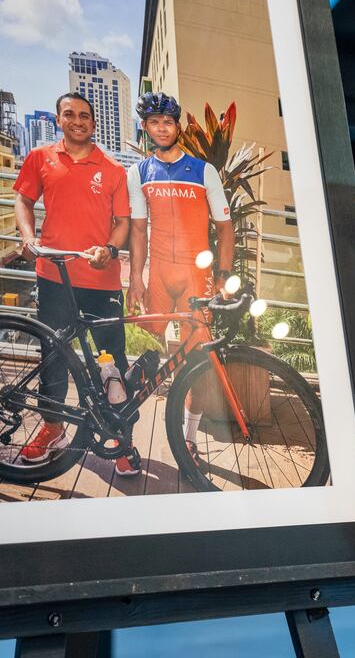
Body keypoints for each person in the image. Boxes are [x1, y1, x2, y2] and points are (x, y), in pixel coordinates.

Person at [14, 92, 133, 474]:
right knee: (53, 355)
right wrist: (28, 237)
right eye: (70, 114)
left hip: (102, 280)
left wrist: (110, 250)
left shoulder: (113, 169)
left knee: (113, 362)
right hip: (53, 275)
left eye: (84, 115)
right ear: (58, 119)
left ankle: (120, 436)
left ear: (94, 123)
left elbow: (123, 223)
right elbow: (23, 200)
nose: (77, 121)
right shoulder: (40, 158)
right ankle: (53, 429)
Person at [125, 91, 234, 458]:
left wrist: (223, 276)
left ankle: (188, 438)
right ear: (145, 127)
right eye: (154, 122)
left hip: (195, 276)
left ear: (177, 127)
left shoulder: (204, 171)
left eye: (168, 122)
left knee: (197, 364)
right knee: (143, 353)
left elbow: (226, 228)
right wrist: (135, 279)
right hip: (158, 272)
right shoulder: (138, 172)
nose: (161, 128)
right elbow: (137, 229)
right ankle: (125, 431)